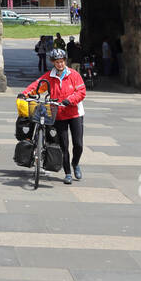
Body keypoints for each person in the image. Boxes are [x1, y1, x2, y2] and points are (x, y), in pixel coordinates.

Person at [20, 47, 86, 185]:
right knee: (63, 145)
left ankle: (75, 163)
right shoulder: (49, 76)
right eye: (57, 62)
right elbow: (37, 86)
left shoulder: (74, 75)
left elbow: (81, 91)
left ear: (65, 61)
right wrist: (24, 93)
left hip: (75, 113)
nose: (60, 64)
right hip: (58, 114)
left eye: (62, 61)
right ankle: (67, 173)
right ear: (53, 63)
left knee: (78, 144)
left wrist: (70, 100)